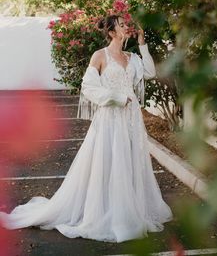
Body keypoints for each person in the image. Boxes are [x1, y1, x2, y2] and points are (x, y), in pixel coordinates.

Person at [0, 14, 173, 243]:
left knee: (129, 161)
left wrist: (143, 45)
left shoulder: (132, 57)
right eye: (121, 25)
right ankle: (107, 212)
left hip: (131, 119)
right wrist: (116, 97)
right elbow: (88, 87)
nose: (126, 27)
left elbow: (150, 73)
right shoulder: (100, 56)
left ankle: (129, 208)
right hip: (110, 117)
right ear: (112, 32)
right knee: (108, 161)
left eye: (126, 24)